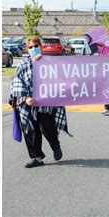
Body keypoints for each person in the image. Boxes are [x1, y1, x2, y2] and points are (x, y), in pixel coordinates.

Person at [9, 36, 70, 168]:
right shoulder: (23, 65)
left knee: (47, 129)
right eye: (30, 47)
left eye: (36, 46)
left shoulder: (50, 63)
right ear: (27, 49)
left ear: (41, 47)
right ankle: (37, 157)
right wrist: (26, 97)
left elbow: (59, 80)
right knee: (31, 131)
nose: (33, 49)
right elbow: (17, 82)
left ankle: (55, 146)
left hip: (46, 104)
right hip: (28, 103)